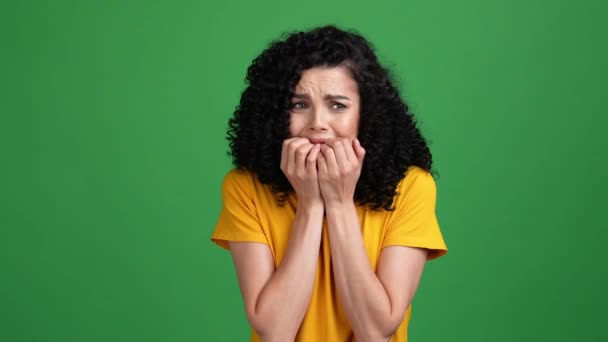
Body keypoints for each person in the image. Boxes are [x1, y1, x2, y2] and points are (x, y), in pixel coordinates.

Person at [210, 24, 447, 342]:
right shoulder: (244, 188)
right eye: (299, 105)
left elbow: (376, 332)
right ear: (275, 114)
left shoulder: (413, 187)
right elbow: (275, 332)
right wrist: (310, 203)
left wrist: (337, 203)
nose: (317, 124)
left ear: (366, 115)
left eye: (338, 105)